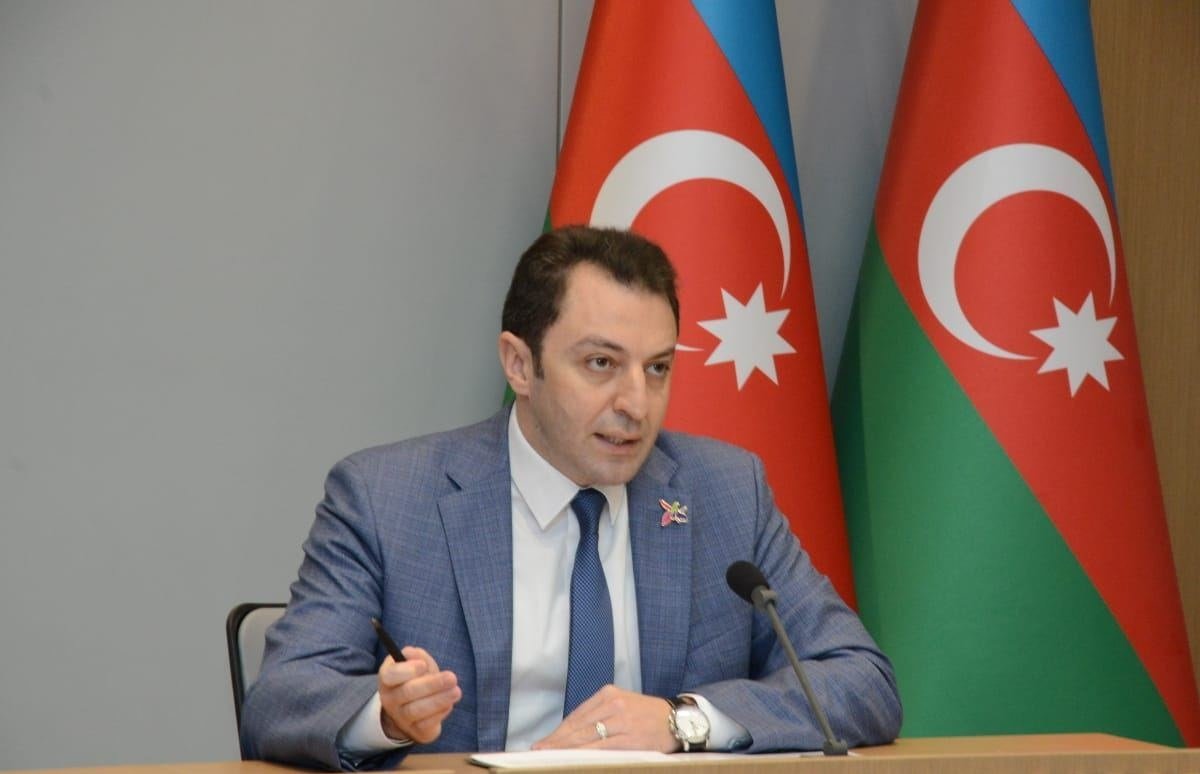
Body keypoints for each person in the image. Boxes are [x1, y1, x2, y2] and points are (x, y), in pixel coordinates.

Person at [240, 226, 902, 770]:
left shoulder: (724, 492)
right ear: (519, 364)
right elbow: (281, 698)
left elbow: (860, 679)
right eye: (601, 364)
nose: (636, 403)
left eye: (658, 368)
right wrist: (386, 717)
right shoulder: (387, 499)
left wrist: (684, 722)